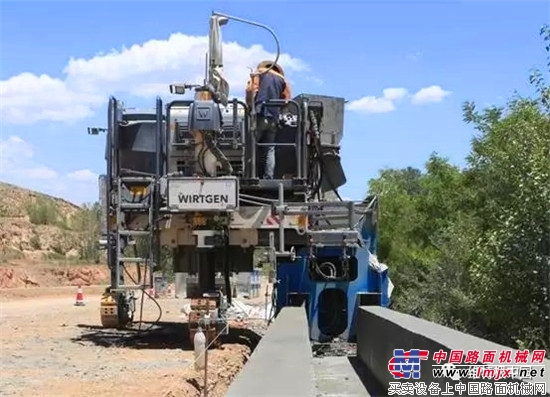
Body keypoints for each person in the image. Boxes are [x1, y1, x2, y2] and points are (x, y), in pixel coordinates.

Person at [245, 61, 292, 179]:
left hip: (260, 114)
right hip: (274, 118)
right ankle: (268, 177)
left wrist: (250, 105)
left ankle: (251, 175)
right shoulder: (283, 80)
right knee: (270, 149)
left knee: (252, 146)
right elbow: (287, 100)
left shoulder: (258, 74)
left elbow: (251, 91)